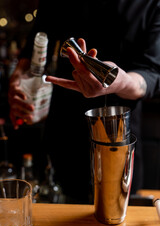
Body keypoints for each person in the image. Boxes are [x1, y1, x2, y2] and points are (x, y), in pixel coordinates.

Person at [8, 0, 160, 203]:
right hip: (63, 134)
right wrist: (18, 79)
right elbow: (37, 43)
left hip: (120, 137)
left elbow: (152, 73)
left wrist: (122, 83)